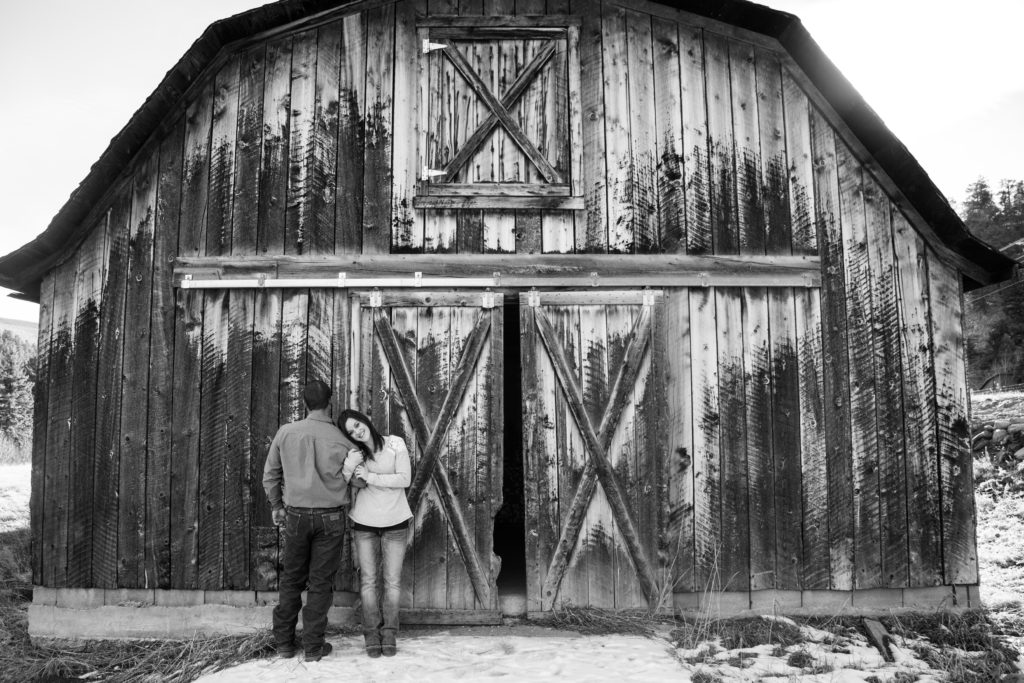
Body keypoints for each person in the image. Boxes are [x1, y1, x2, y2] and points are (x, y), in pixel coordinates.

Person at [263, 379, 352, 661]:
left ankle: (285, 645)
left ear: (304, 404)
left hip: (296, 515)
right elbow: (355, 478)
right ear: (330, 403)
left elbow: (271, 475)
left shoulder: (286, 432)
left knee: (291, 580)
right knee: (320, 582)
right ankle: (313, 647)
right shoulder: (342, 439)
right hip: (331, 518)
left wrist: (277, 505)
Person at [338, 408, 413, 658]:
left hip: (396, 520)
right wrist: (350, 466)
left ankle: (389, 633)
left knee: (392, 581)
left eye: (358, 425)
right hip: (365, 522)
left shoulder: (395, 443)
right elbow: (347, 481)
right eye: (351, 431)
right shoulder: (356, 455)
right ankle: (371, 634)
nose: (358, 431)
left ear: (365, 421)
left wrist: (371, 476)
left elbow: (404, 479)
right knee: (368, 580)